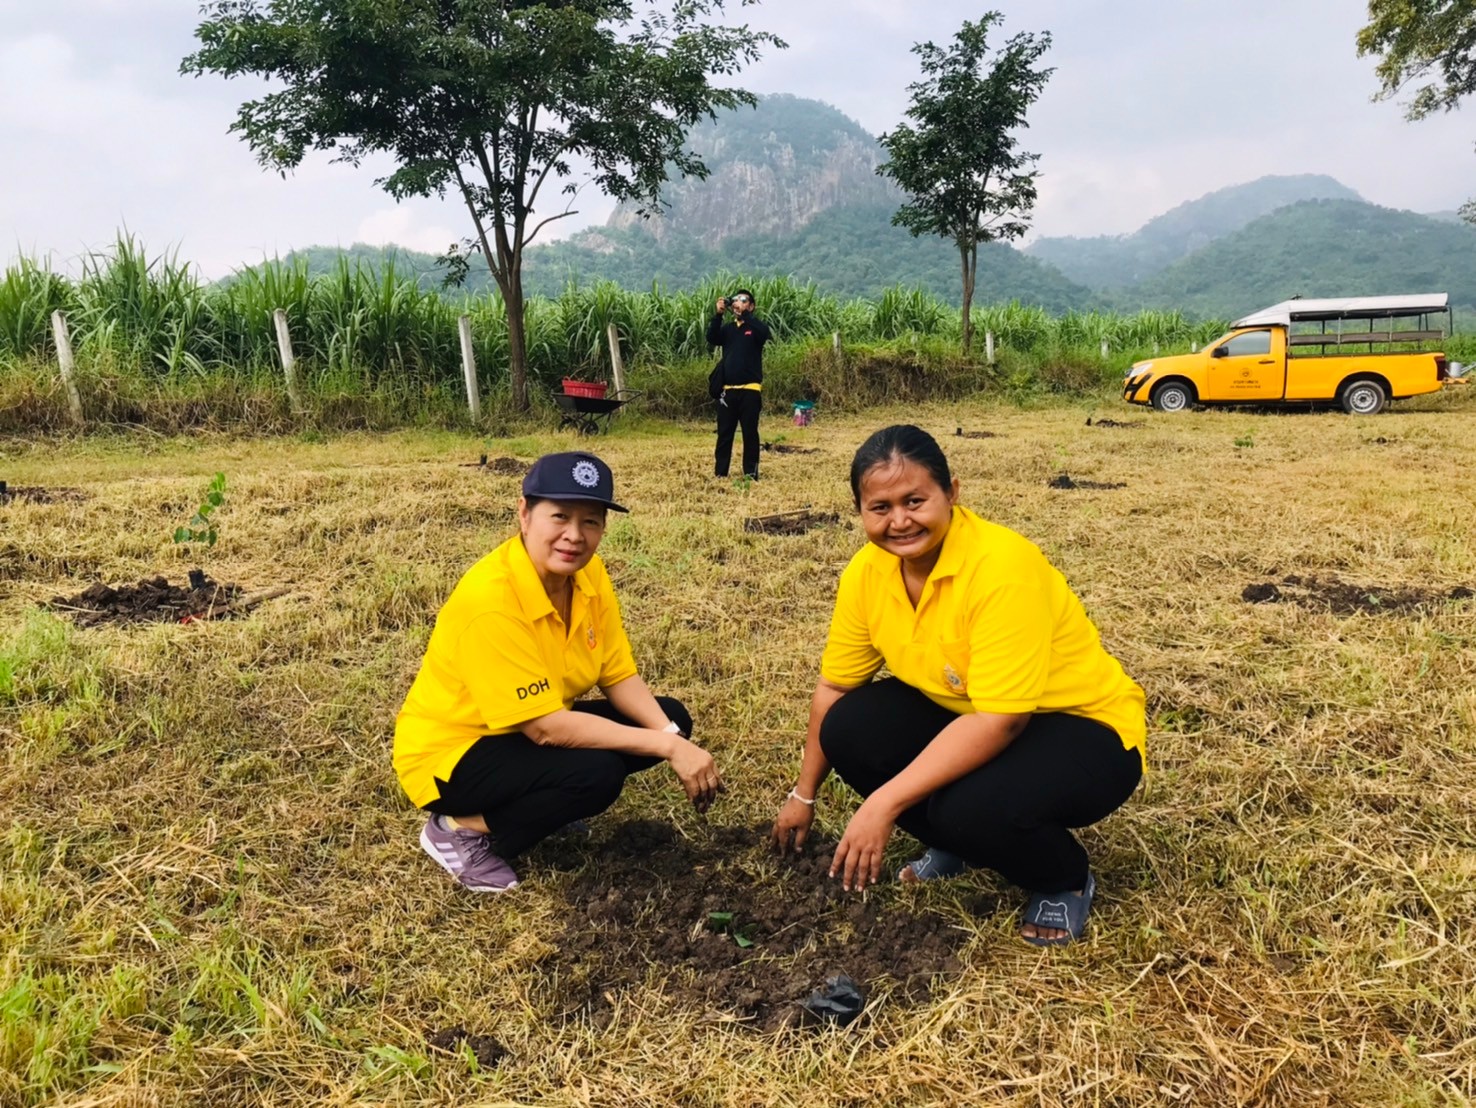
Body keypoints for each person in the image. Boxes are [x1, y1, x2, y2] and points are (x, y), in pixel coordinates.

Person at [769, 426, 1145, 945]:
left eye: (915, 501)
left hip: (1082, 730)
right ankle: (961, 845)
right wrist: (804, 795)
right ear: (860, 511)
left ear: (952, 493)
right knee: (850, 728)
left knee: (968, 809)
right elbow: (834, 688)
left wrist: (883, 804)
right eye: (880, 508)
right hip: (971, 714)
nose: (900, 521)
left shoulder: (1001, 567)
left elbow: (1002, 719)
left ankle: (1063, 877)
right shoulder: (867, 573)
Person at [393, 451, 721, 892]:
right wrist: (669, 748)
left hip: (524, 726)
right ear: (525, 514)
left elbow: (617, 674)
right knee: (596, 775)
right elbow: (545, 729)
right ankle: (458, 829)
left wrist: (673, 738)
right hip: (455, 752)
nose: (575, 536)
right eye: (560, 516)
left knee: (671, 717)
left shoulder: (588, 575)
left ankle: (544, 802)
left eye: (591, 521)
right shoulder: (491, 600)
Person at [707, 288, 771, 481]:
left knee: (750, 433)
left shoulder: (755, 328)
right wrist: (718, 314)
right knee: (724, 434)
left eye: (744, 300)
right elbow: (712, 337)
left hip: (750, 390)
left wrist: (746, 316)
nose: (738, 303)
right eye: (736, 300)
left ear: (751, 306)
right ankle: (720, 473)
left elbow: (765, 333)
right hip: (727, 391)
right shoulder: (728, 329)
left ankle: (750, 474)